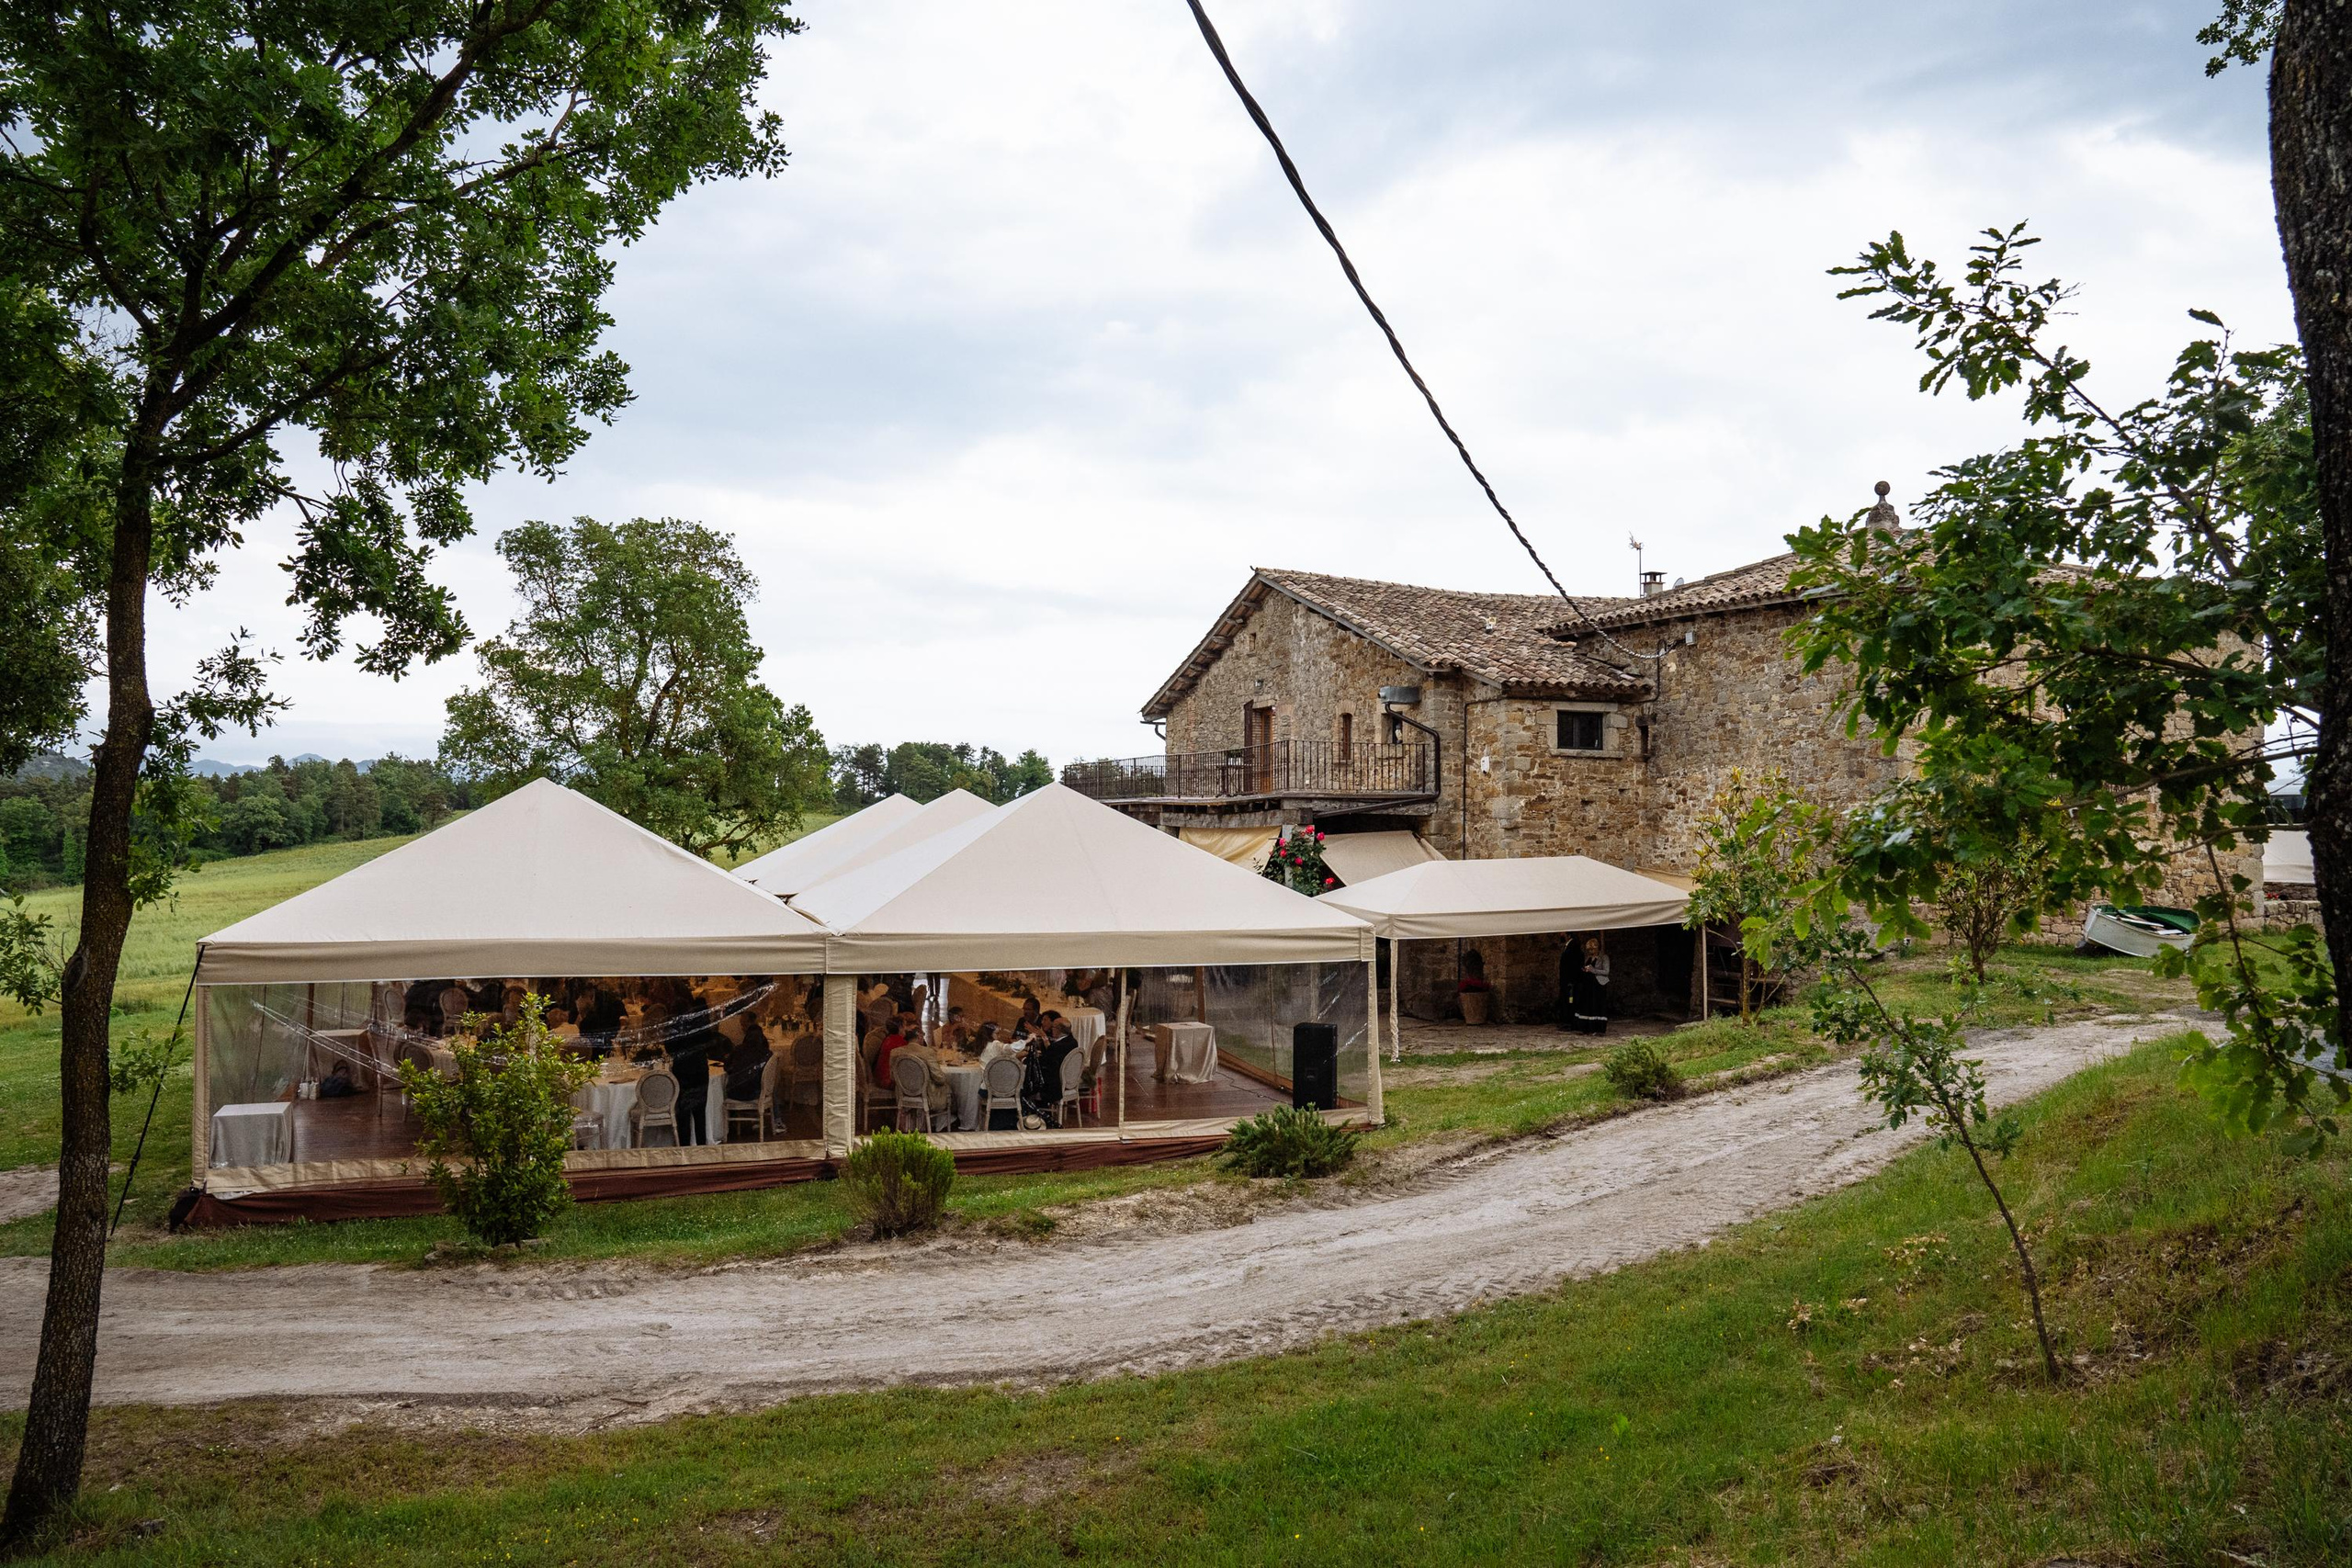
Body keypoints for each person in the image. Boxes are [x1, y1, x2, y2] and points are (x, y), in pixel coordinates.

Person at [720, 1015, 772, 1101]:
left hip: (735, 1092)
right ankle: (775, 1113)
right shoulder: (767, 1054)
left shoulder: (738, 1049)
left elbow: (727, 1068)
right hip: (756, 1092)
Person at [1569, 936, 1611, 1037]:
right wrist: (1584, 970)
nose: (1590, 951)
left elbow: (1606, 972)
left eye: (1592, 949)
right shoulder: (1588, 958)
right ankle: (1585, 1028)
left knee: (1596, 1006)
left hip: (1598, 985)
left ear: (1597, 948)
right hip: (1587, 985)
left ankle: (1598, 1029)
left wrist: (1593, 970)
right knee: (1586, 1005)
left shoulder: (1604, 957)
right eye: (1589, 950)